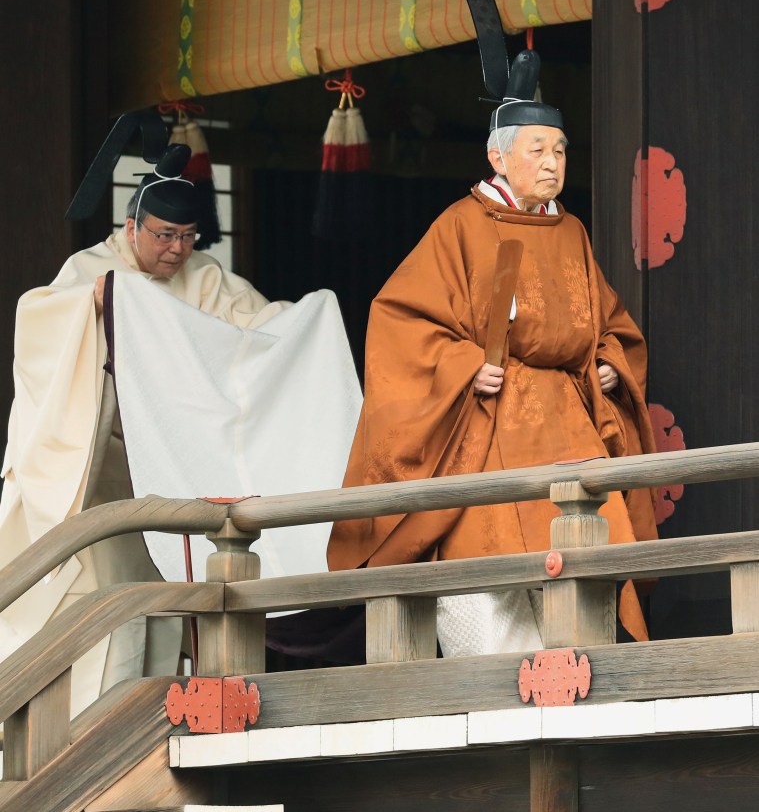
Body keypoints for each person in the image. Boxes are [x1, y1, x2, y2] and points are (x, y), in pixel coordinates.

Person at [327, 93, 659, 656]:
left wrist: (608, 361)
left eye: (560, 150)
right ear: (498, 158)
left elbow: (610, 321)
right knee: (489, 605)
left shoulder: (571, 230)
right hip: (488, 425)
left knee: (581, 605)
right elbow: (401, 321)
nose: (552, 162)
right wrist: (462, 367)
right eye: (537, 150)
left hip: (567, 427)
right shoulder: (460, 225)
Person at [0, 164, 287, 713]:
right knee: (110, 597)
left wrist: (301, 321)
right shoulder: (92, 269)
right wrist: (96, 305)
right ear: (131, 229)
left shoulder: (206, 278)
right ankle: (97, 721)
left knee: (169, 597)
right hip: (103, 468)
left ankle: (154, 713)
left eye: (187, 237)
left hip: (170, 468)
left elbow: (258, 331)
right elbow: (36, 319)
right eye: (163, 235)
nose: (176, 249)